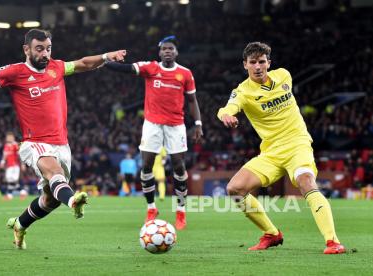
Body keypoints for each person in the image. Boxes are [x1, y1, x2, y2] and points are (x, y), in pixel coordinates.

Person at [0, 29, 126, 249]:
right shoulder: (14, 72)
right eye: (39, 49)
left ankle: (20, 225)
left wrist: (107, 56)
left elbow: (84, 63)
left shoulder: (57, 68)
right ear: (26, 49)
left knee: (50, 200)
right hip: (34, 143)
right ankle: (73, 201)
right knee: (56, 174)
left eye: (48, 48)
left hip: (62, 144)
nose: (45, 53)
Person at [217, 42, 345, 254]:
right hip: (271, 152)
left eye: (261, 61)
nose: (257, 66)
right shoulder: (242, 91)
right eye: (252, 62)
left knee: (306, 182)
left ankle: (332, 242)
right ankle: (271, 234)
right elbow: (227, 108)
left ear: (269, 62)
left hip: (297, 143)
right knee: (235, 189)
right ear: (245, 65)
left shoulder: (284, 76)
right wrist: (226, 116)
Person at [105, 36, 203, 230]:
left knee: (178, 166)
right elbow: (127, 68)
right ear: (160, 53)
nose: (167, 51)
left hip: (176, 125)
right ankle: (151, 208)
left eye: (171, 49)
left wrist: (198, 124)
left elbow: (192, 101)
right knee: (146, 165)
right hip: (152, 125)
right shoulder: (150, 68)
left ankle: (181, 211)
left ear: (176, 52)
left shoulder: (185, 73)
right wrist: (105, 62)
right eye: (164, 49)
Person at [0, 131, 27, 200]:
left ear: (13, 138)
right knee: (10, 180)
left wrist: (22, 164)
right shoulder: (6, 145)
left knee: (13, 180)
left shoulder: (15, 145)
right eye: (7, 137)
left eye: (10, 137)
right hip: (9, 166)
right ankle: (21, 192)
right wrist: (2, 162)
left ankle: (11, 195)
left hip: (15, 165)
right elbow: (4, 155)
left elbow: (20, 155)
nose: (8, 138)